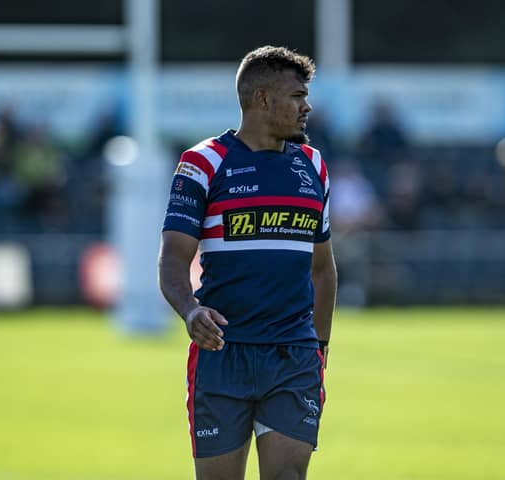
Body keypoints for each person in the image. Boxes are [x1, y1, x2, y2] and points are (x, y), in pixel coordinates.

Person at [158, 46, 337, 480]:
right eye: (296, 96)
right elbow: (173, 259)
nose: (306, 106)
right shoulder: (202, 163)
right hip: (222, 354)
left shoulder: (312, 165)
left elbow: (322, 269)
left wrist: (320, 348)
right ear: (261, 100)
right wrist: (190, 309)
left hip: (292, 356)